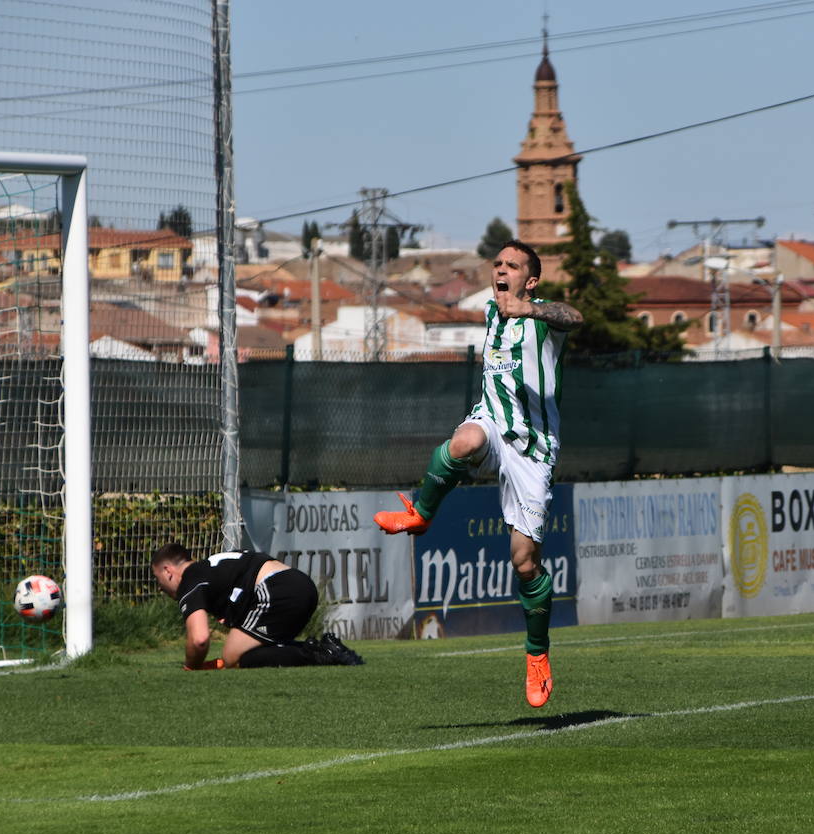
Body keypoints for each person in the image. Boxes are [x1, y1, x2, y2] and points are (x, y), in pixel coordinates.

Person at [373, 239, 583, 707]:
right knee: (462, 442)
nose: (501, 270)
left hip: (532, 450)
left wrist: (530, 309)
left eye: (513, 265)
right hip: (491, 426)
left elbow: (575, 318)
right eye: (498, 264)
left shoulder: (544, 319)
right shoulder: (491, 315)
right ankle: (421, 514)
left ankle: (537, 654)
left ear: (530, 280)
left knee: (525, 562)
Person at [150, 543, 364, 669]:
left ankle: (322, 654)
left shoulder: (190, 578)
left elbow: (199, 640)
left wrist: (191, 667)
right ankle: (327, 649)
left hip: (278, 589)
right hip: (299, 584)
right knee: (250, 654)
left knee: (232, 656)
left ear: (168, 571)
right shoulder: (210, 566)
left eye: (157, 579)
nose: (160, 588)